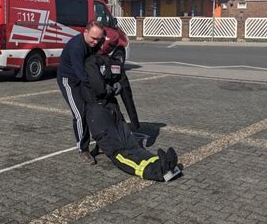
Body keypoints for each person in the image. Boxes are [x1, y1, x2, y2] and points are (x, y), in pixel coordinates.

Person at [82, 52, 182, 182]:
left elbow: (126, 91)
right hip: (97, 111)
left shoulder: (113, 63)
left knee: (132, 145)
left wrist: (134, 123)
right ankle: (156, 170)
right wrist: (106, 88)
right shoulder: (89, 62)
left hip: (112, 108)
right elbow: (96, 87)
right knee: (118, 151)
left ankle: (159, 162)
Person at [57, 20, 104, 164]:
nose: (95, 42)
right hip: (69, 80)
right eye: (93, 38)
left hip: (83, 78)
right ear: (85, 32)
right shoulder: (76, 46)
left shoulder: (95, 43)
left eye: (98, 39)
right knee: (79, 113)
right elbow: (80, 73)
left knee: (92, 110)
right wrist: (98, 88)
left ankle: (100, 142)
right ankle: (83, 150)